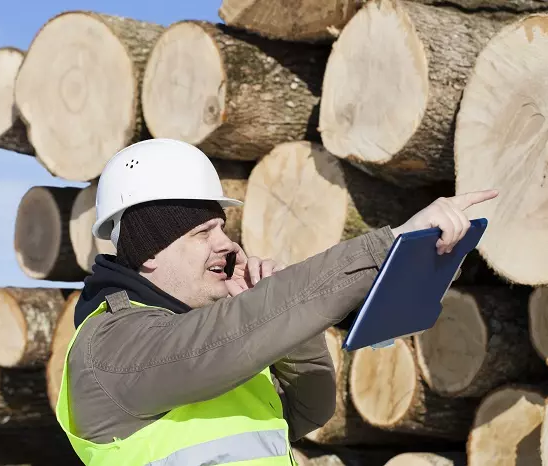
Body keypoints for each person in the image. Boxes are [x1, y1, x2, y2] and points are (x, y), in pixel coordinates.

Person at [54, 138, 498, 466]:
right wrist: (389, 246)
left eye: (222, 229)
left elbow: (310, 408)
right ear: (150, 250)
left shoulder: (206, 338)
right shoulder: (112, 345)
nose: (226, 245)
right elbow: (225, 338)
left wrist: (282, 332)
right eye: (202, 233)